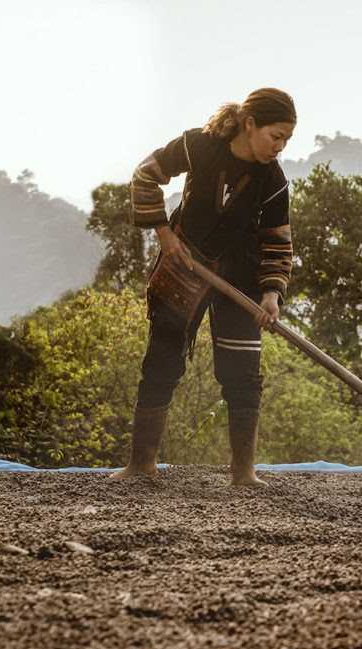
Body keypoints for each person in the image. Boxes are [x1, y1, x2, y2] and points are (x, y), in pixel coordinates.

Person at [111, 88, 296, 485]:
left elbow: (277, 240)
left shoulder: (274, 181)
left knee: (243, 375)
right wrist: (165, 236)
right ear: (249, 124)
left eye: (286, 140)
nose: (279, 147)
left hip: (241, 278)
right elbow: (145, 174)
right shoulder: (198, 146)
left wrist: (270, 294)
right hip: (185, 264)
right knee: (162, 360)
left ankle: (244, 474)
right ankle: (141, 465)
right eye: (275, 136)